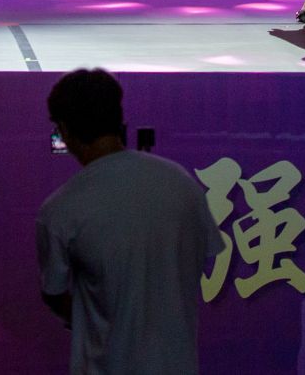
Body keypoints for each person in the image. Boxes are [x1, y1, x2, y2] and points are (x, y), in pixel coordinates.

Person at [37, 69, 218, 375]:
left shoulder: (61, 209)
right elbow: (202, 255)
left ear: (64, 130)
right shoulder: (181, 183)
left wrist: (92, 317)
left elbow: (54, 293)